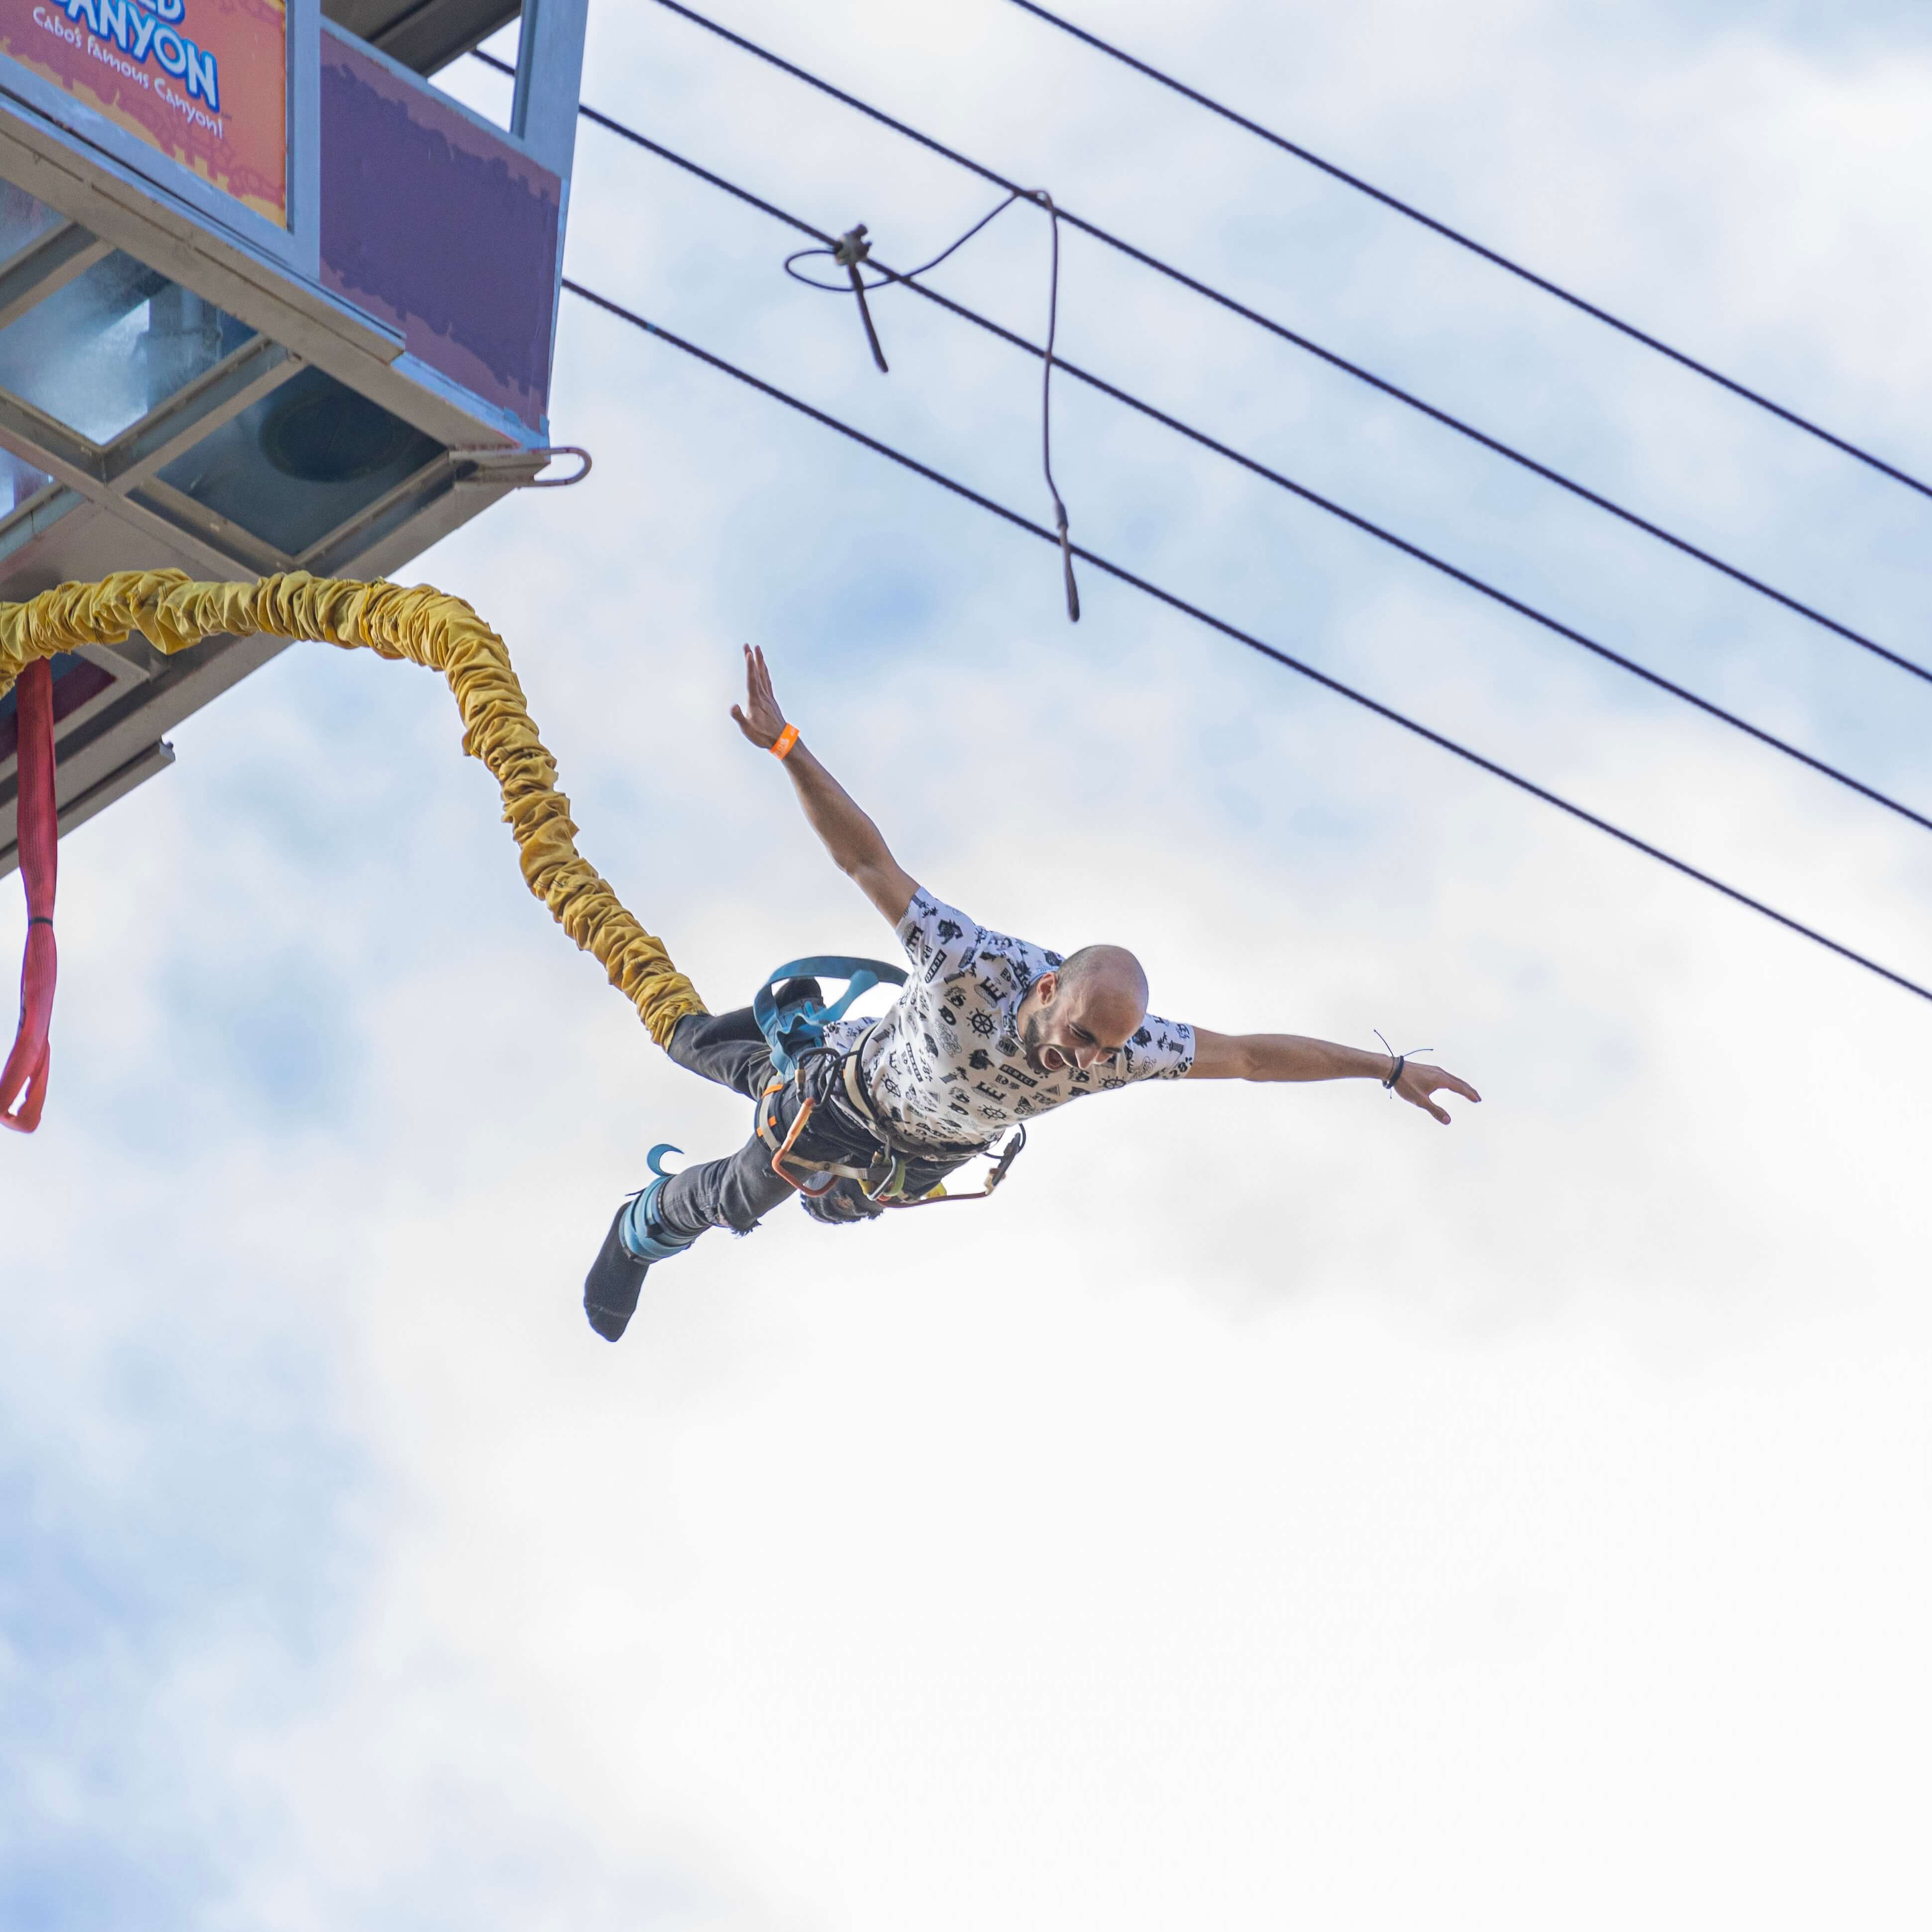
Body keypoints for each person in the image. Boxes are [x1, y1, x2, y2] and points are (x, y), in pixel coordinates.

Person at [584, 645, 1481, 1340]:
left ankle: (714, 1207)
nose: (1086, 1061)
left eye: (1101, 1051)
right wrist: (787, 746)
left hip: (919, 1151)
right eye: (1082, 1035)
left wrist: (1384, 1067)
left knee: (808, 1197)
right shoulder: (969, 961)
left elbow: (1248, 1057)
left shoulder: (1130, 1051)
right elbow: (867, 859)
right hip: (842, 1091)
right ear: (1048, 988)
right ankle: (641, 1226)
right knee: (732, 1137)